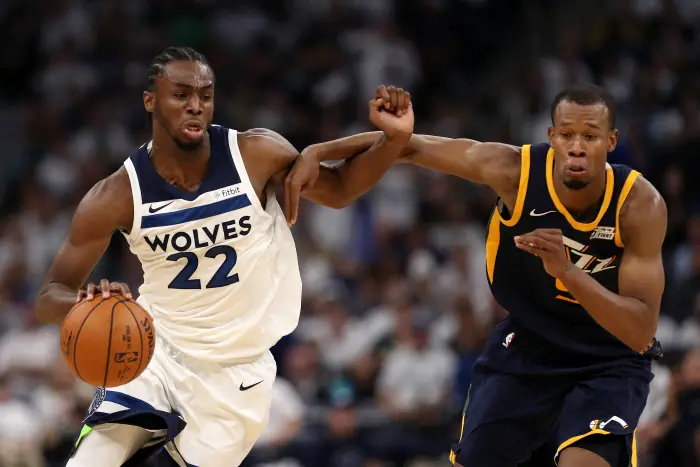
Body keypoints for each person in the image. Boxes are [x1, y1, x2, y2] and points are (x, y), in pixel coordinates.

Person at [33, 46, 414, 467]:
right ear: (150, 101)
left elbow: (340, 188)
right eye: (180, 95)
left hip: (238, 370)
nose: (195, 106)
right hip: (155, 349)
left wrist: (392, 139)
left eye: (205, 95)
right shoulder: (117, 194)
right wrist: (89, 303)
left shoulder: (254, 154)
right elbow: (50, 295)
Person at [331, 83, 666, 467]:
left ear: (611, 141)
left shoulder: (639, 204)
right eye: (568, 135)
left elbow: (641, 333)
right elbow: (408, 146)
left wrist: (569, 272)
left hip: (607, 358)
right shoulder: (515, 171)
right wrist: (317, 152)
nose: (577, 146)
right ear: (551, 137)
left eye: (589, 136)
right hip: (529, 344)